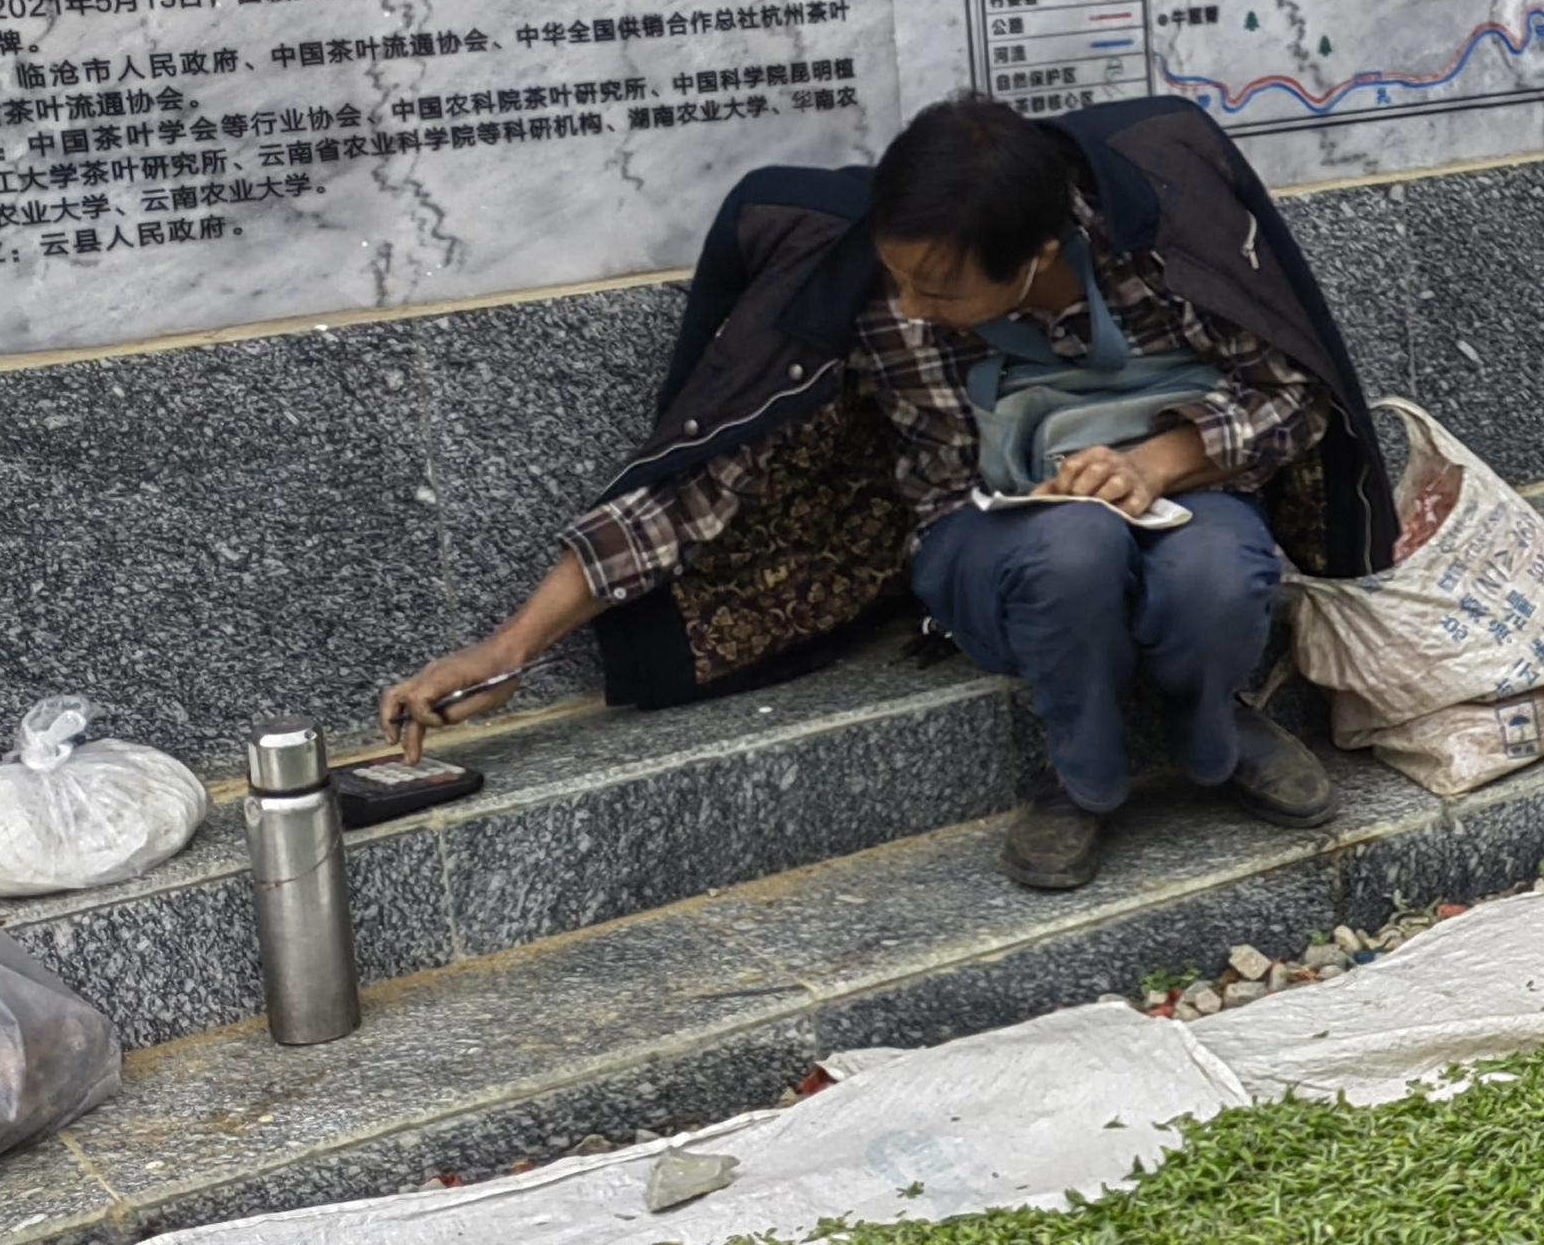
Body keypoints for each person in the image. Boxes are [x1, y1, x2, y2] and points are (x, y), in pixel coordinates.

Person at [380, 94, 1400, 891]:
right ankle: (1087, 779)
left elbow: (1294, 397)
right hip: (984, 530)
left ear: (1038, 255)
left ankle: (1211, 731)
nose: (910, 306)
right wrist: (506, 647)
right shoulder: (859, 276)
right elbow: (693, 487)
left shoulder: (1155, 248)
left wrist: (1157, 465)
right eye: (899, 276)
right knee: (1072, 551)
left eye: (943, 289)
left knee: (1219, 567)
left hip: (1175, 493)